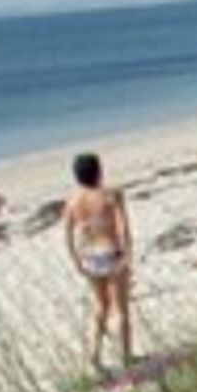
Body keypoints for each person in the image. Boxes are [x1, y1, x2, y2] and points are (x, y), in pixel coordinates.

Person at [61, 153, 134, 371]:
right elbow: (123, 227)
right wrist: (127, 253)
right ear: (99, 171)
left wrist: (75, 260)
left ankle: (95, 357)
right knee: (121, 309)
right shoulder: (112, 195)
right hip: (111, 252)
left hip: (89, 256)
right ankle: (126, 357)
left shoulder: (72, 201)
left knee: (101, 306)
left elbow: (67, 234)